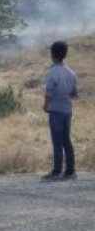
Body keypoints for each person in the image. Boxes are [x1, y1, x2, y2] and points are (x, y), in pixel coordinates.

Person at [43, 40, 79, 181]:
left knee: (57, 141)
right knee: (66, 140)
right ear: (65, 54)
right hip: (67, 110)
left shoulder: (52, 72)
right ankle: (70, 170)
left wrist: (46, 105)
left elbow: (49, 92)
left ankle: (57, 170)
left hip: (56, 110)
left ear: (52, 54)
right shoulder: (71, 72)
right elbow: (74, 94)